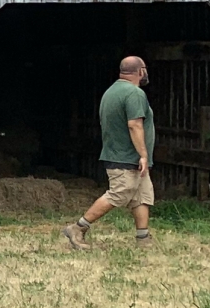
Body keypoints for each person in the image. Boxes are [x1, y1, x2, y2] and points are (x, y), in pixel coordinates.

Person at [65, 56, 156, 250]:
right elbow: (134, 125)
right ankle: (78, 227)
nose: (146, 73)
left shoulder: (111, 91)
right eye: (145, 69)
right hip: (125, 157)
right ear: (140, 71)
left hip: (122, 155)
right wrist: (143, 154)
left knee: (141, 196)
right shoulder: (134, 93)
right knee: (119, 194)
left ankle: (143, 239)